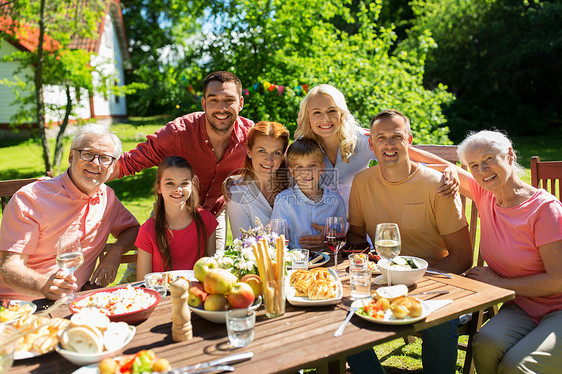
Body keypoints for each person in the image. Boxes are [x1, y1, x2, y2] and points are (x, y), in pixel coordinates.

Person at [417, 130, 562, 373]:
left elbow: (558, 280)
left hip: (558, 308)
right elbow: (438, 164)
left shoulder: (545, 210)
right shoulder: (486, 194)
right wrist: (380, 137)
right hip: (523, 305)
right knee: (484, 344)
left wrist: (499, 283)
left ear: (510, 155)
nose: (482, 170)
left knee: (518, 365)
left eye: (489, 159)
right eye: (473, 165)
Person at [346, 109, 473, 374]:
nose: (389, 144)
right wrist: (369, 266)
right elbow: (355, 237)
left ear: (410, 140)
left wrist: (416, 284)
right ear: (371, 144)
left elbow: (463, 256)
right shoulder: (361, 182)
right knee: (344, 314)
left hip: (435, 284)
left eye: (396, 137)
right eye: (381, 138)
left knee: (439, 323)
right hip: (382, 281)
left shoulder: (438, 185)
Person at [110, 71, 254, 251]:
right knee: (144, 271)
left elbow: (279, 161)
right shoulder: (178, 133)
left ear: (240, 103)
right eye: (213, 100)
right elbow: (130, 162)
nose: (221, 108)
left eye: (229, 100)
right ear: (203, 103)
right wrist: (81, 179)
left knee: (215, 267)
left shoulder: (251, 136)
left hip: (214, 212)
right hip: (172, 210)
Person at [0, 124, 139, 301]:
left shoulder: (107, 198)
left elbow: (132, 229)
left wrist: (115, 252)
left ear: (112, 167)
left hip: (74, 300)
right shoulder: (30, 199)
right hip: (20, 306)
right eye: (87, 154)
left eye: (105, 158)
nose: (95, 163)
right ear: (71, 156)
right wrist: (43, 285)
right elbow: (10, 267)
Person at [136, 157, 218, 280]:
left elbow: (213, 273)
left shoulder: (207, 221)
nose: (178, 189)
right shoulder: (147, 230)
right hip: (163, 296)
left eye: (184, 183)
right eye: (170, 183)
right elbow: (143, 280)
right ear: (159, 187)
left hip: (198, 294)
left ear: (191, 185)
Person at [295, 84, 374, 209]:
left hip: (361, 225)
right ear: (308, 117)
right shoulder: (301, 148)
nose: (325, 118)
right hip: (319, 226)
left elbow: (401, 157)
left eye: (331, 111)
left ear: (341, 113)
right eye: (317, 112)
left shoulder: (361, 139)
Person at [271, 137, 346, 250]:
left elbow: (342, 239)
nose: (307, 172)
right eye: (300, 167)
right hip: (294, 264)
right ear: (292, 171)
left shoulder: (336, 202)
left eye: (312, 165)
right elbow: (275, 240)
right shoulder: (283, 201)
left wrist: (330, 238)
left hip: (328, 262)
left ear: (322, 167)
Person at [225, 121, 290, 238]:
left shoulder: (293, 185)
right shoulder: (237, 192)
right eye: (262, 151)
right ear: (249, 151)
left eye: (276, 152)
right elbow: (243, 243)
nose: (269, 160)